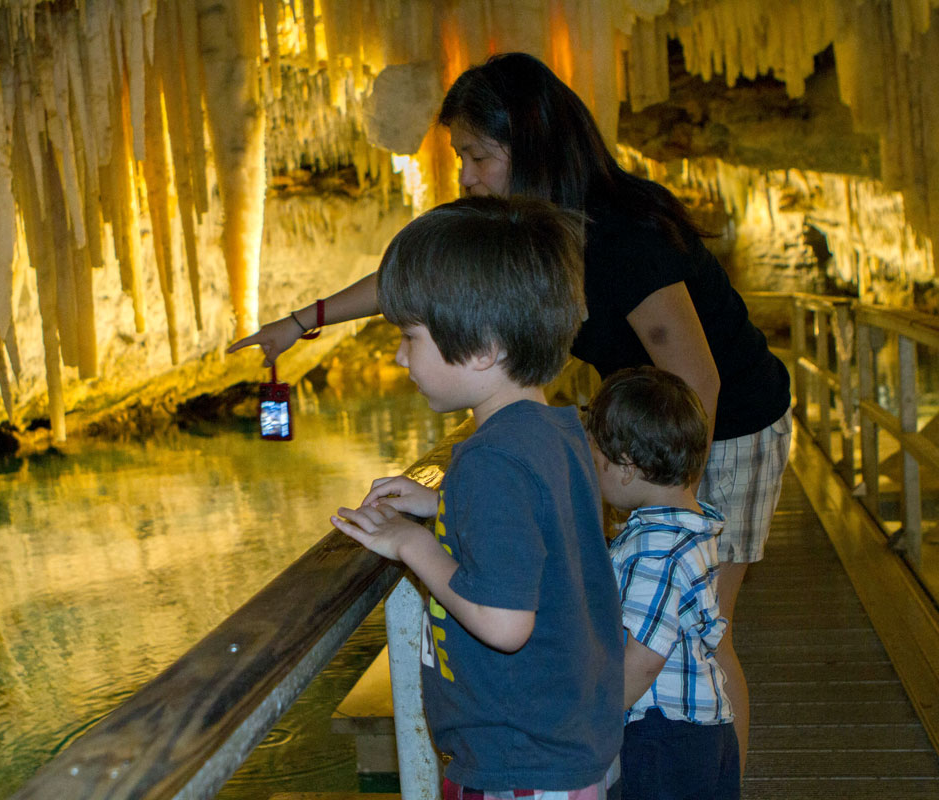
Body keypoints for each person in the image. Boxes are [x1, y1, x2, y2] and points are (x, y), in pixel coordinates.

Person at [230, 51, 790, 770]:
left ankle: (709, 773)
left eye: (477, 155)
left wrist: (669, 509)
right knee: (634, 613)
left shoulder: (623, 240)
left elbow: (697, 379)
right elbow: (432, 274)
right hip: (636, 424)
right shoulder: (537, 234)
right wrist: (304, 320)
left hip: (722, 422)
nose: (465, 175)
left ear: (531, 147)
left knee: (701, 629)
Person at [331, 196, 624, 798]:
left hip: (519, 764)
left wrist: (411, 542)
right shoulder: (556, 431)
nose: (399, 355)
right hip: (565, 743)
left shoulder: (491, 457)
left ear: (485, 347)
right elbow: (538, 529)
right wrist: (443, 507)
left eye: (411, 336)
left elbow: (503, 620)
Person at [583, 367, 739, 800]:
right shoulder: (691, 527)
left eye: (598, 462)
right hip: (704, 731)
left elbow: (644, 657)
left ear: (627, 468)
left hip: (665, 737)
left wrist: (595, 719)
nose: (594, 474)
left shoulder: (655, 548)